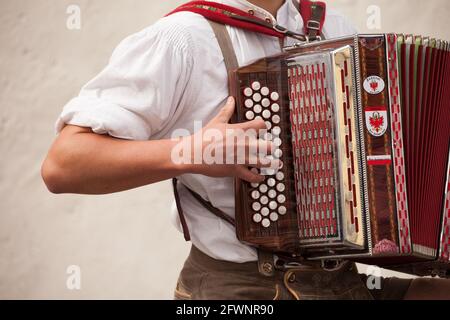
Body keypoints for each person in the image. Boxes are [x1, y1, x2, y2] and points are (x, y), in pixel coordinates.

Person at [42, 0, 450, 300]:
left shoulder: (333, 27)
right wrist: (187, 152)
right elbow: (63, 165)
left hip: (341, 281)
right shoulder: (181, 39)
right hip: (238, 290)